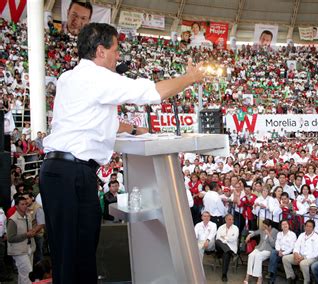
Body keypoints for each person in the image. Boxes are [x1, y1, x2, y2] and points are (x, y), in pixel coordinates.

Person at [39, 23, 206, 283]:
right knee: (76, 261)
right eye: (115, 50)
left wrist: (134, 130)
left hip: (58, 173)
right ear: (100, 51)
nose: (119, 56)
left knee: (71, 259)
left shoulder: (68, 77)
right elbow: (153, 93)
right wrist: (192, 78)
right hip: (73, 176)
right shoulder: (98, 77)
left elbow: (93, 120)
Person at [282, 220, 318, 284]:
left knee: (303, 263)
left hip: (311, 258)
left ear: (313, 228)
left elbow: (316, 253)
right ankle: (292, 277)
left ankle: (307, 281)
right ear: (304, 227)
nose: (308, 228)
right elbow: (296, 246)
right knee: (285, 258)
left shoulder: (317, 238)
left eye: (310, 226)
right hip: (299, 255)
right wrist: (295, 253)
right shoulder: (301, 235)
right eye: (307, 226)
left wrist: (303, 258)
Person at [7, 197, 36, 284]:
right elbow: (10, 238)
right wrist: (26, 235)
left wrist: (32, 232)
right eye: (22, 204)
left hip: (28, 248)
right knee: (28, 274)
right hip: (18, 251)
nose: (25, 206)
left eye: (26, 204)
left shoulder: (27, 216)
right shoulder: (13, 220)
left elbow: (28, 231)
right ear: (16, 206)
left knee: (22, 274)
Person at [243, 219, 278, 284]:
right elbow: (255, 232)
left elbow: (273, 245)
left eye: (265, 227)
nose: (263, 228)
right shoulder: (262, 229)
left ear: (269, 227)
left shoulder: (275, 232)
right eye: (263, 226)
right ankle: (247, 276)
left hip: (268, 250)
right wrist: (249, 236)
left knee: (258, 256)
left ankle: (259, 278)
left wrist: (269, 234)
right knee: (251, 255)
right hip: (259, 248)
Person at [215, 214, 239, 282]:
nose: (231, 221)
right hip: (220, 248)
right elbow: (218, 238)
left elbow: (233, 239)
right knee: (217, 241)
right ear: (225, 220)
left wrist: (224, 238)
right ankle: (231, 253)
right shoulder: (221, 227)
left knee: (226, 253)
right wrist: (227, 239)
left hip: (231, 247)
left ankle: (224, 275)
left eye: (232, 219)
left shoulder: (235, 228)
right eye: (229, 219)